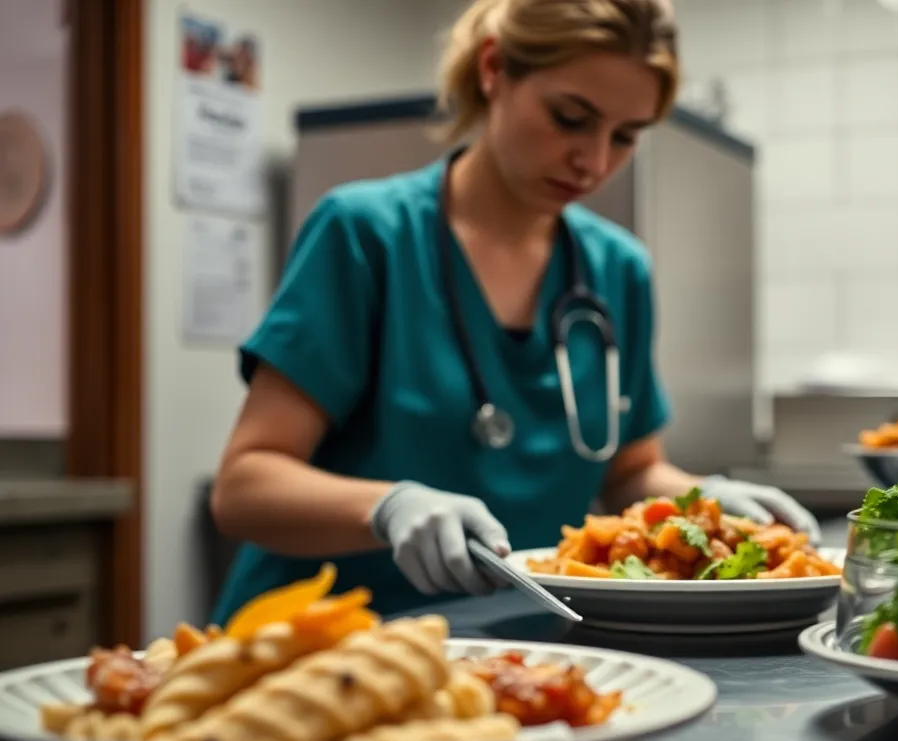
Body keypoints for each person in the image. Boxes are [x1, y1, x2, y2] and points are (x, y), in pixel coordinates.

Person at [208, 0, 821, 625]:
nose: (594, 162)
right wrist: (387, 507)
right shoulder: (367, 235)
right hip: (322, 638)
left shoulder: (617, 269)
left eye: (625, 136)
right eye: (570, 118)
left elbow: (630, 473)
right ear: (494, 69)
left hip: (519, 638)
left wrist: (703, 503)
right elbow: (244, 488)